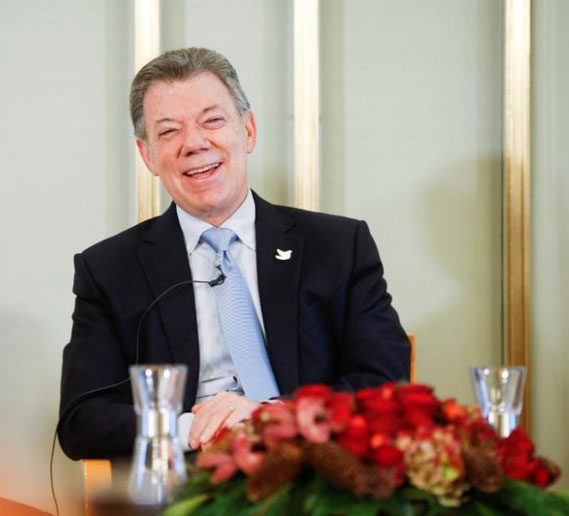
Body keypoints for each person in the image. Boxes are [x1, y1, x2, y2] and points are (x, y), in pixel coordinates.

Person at [59, 47, 410, 460]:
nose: (194, 143)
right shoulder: (109, 269)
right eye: (169, 131)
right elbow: (82, 420)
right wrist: (191, 428)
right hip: (187, 483)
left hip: (316, 471)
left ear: (248, 130)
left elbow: (385, 382)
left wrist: (271, 418)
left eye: (213, 121)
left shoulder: (337, 246)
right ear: (148, 155)